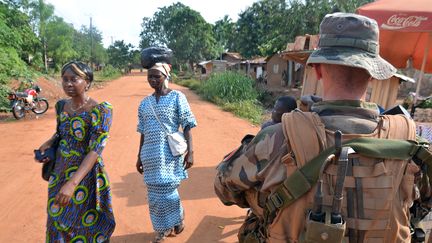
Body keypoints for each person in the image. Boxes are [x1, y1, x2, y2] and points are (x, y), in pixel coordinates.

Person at [215, 13, 432, 242]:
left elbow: (224, 188)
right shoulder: (410, 146)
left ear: (317, 69)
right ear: (373, 75)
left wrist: (266, 201)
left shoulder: (276, 139)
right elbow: (423, 204)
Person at [37, 61, 115, 242]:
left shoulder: (100, 110)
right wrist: (49, 142)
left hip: (85, 177)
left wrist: (72, 184)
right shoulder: (61, 106)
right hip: (59, 173)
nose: (68, 84)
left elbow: (96, 149)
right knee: (57, 220)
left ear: (87, 82)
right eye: (65, 80)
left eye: (74, 79)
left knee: (84, 225)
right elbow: (61, 132)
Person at [136, 61, 197, 243]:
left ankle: (175, 219)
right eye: (149, 77)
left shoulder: (177, 97)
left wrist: (191, 151)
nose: (153, 80)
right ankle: (162, 229)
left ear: (165, 76)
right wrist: (139, 156)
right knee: (154, 195)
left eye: (157, 76)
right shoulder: (144, 103)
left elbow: (187, 126)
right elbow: (143, 131)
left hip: (170, 154)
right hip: (150, 156)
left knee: (169, 191)